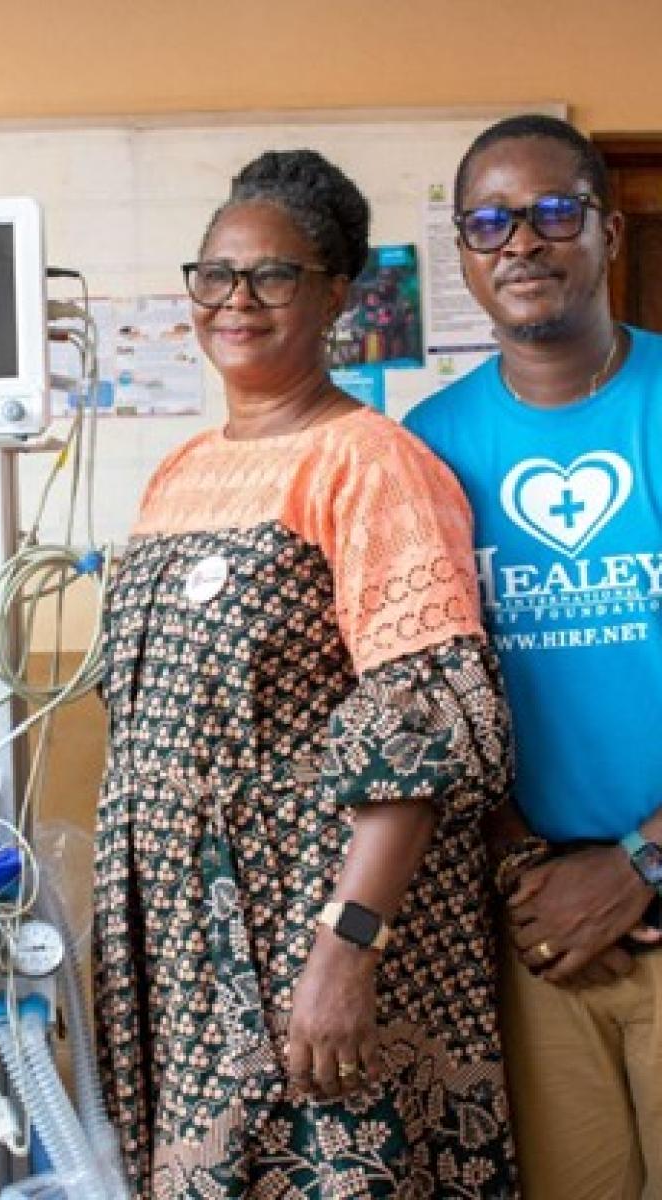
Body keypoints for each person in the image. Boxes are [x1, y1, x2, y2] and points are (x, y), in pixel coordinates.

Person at [91, 150, 518, 1199]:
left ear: (336, 294)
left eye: (273, 276)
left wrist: (347, 950)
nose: (236, 301)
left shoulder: (369, 463)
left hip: (307, 931)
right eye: (216, 274)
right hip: (183, 944)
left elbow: (423, 726)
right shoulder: (180, 472)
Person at [405, 114, 662, 1200]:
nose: (522, 241)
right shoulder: (426, 449)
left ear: (606, 231)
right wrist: (533, 875)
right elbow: (422, 695)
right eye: (489, 220)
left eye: (554, 211)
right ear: (464, 252)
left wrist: (642, 864)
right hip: (539, 930)